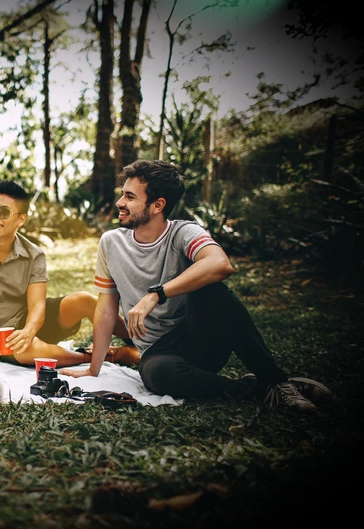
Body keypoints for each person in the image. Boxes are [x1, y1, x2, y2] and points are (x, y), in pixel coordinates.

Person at [60, 159, 329, 410]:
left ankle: (275, 381)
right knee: (158, 374)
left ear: (158, 205)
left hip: (201, 339)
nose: (120, 202)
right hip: (157, 354)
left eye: (130, 197)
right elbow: (106, 309)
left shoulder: (183, 232)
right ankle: (259, 390)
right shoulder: (111, 243)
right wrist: (93, 369)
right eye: (123, 194)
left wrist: (156, 294)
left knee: (213, 290)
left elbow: (220, 264)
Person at [0, 180, 139, 368]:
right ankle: (107, 356)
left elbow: (37, 305)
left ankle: (142, 341)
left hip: (32, 321)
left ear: (21, 219)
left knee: (83, 300)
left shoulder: (34, 254)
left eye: (3, 212)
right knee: (26, 350)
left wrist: (29, 331)